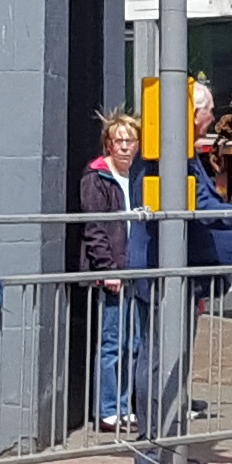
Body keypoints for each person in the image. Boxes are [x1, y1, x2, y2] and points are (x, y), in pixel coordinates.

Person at [73, 113, 138, 435]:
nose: (125, 147)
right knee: (113, 343)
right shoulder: (96, 177)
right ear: (108, 145)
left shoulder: (138, 177)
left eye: (130, 141)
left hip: (137, 270)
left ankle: (126, 407)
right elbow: (95, 227)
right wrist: (107, 270)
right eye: (119, 141)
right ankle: (109, 410)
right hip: (114, 271)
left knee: (134, 343)